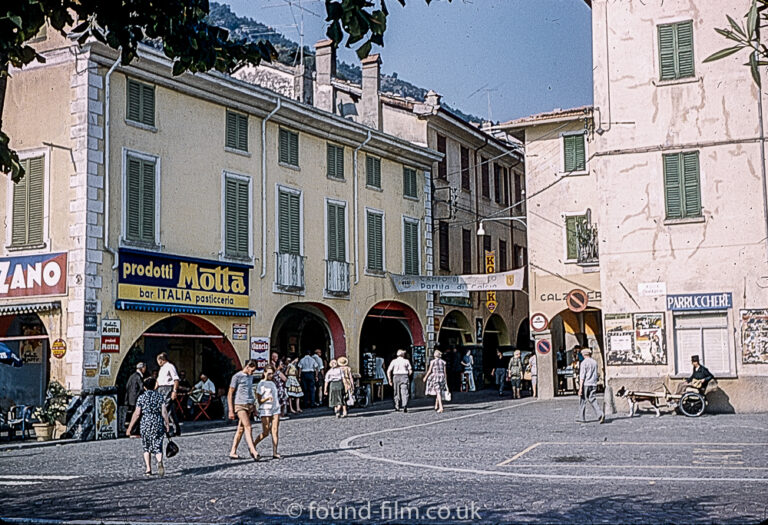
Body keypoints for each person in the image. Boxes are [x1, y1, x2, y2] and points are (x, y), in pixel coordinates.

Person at [126, 377, 171, 476]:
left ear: (145, 387)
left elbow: (137, 413)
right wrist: (167, 423)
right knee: (158, 445)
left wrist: (130, 427)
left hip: (145, 422)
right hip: (157, 421)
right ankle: (159, 461)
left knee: (146, 446)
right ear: (154, 386)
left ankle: (148, 469)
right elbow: (164, 412)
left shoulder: (141, 397)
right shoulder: (159, 396)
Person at [227, 360, 260, 460]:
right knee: (248, 426)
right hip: (240, 404)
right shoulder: (237, 376)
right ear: (248, 366)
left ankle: (233, 451)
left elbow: (250, 392)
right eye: (252, 370)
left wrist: (254, 407)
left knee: (241, 429)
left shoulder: (250, 377)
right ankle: (253, 450)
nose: (253, 372)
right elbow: (230, 393)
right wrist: (231, 410)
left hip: (249, 404)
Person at [252, 366, 282, 459]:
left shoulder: (272, 383)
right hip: (266, 409)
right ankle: (253, 445)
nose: (270, 375)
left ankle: (275, 452)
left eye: (272, 373)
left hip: (275, 408)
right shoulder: (261, 384)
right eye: (269, 373)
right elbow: (259, 400)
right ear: (264, 373)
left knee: (275, 430)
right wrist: (267, 398)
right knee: (265, 432)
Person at [155, 352, 181, 436]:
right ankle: (177, 429)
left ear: (161, 360)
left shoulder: (170, 366)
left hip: (168, 388)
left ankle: (163, 429)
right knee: (171, 411)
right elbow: (158, 381)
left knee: (164, 409)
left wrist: (174, 391)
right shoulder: (162, 368)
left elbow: (176, 379)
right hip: (161, 388)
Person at [578, 347, 604, 424]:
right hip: (593, 383)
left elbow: (582, 376)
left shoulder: (583, 363)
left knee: (582, 400)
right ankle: (600, 414)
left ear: (583, 354)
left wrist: (580, 388)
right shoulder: (594, 362)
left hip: (586, 384)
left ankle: (581, 417)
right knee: (593, 399)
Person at [125, 361, 146, 436]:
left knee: (132, 415)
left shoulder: (132, 376)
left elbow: (127, 386)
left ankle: (132, 430)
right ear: (142, 368)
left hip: (131, 399)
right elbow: (141, 388)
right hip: (136, 398)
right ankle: (135, 431)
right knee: (137, 415)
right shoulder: (138, 377)